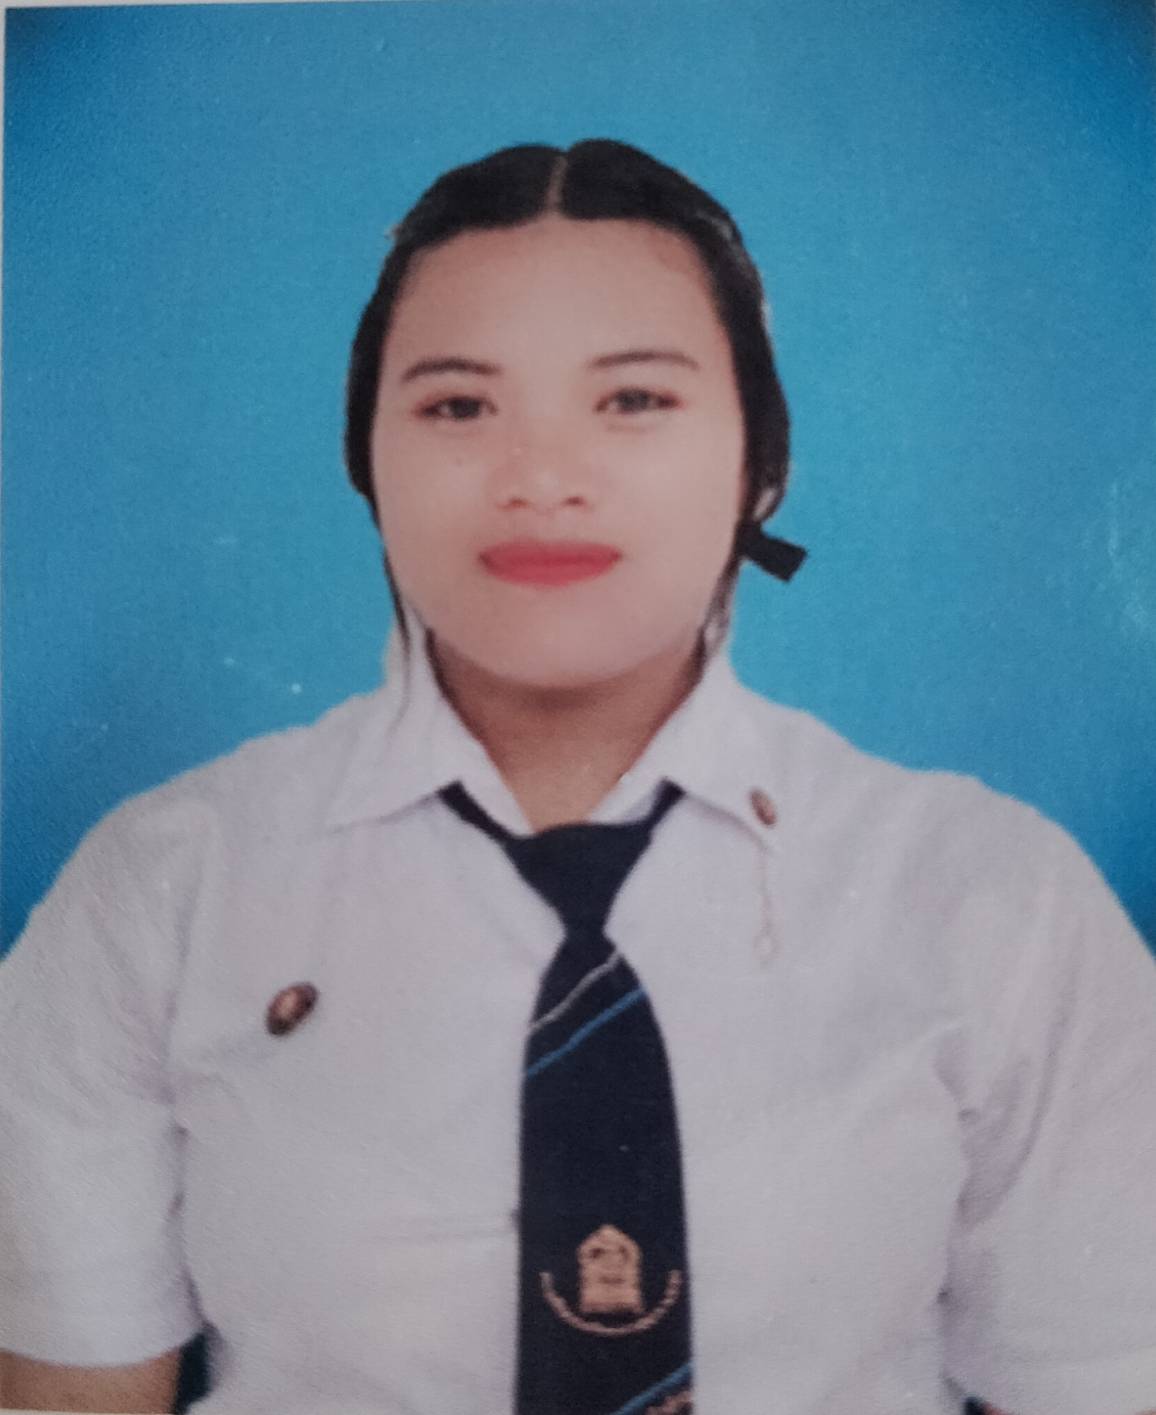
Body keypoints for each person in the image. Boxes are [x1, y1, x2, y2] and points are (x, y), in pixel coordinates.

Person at [2, 139, 1155, 1415]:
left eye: (634, 399)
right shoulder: (164, 887)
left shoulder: (993, 895)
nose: (541, 480)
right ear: (366, 463)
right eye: (458, 406)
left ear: (760, 462)